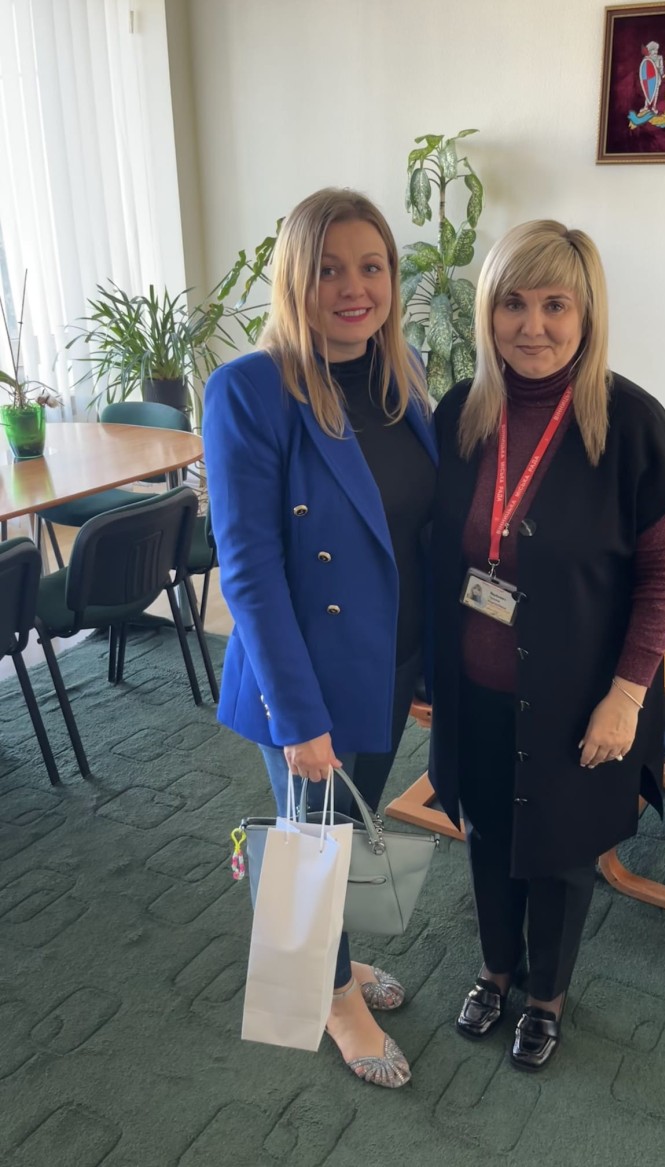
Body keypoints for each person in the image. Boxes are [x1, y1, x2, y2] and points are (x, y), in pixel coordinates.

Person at [429, 220, 665, 1072]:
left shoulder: (631, 424)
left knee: (562, 852)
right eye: (512, 302)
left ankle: (545, 996)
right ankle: (495, 970)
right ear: (487, 311)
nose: (531, 325)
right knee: (486, 832)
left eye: (555, 304)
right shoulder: (460, 414)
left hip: (581, 693)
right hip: (477, 684)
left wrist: (626, 695)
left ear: (586, 315)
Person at [203, 188, 437, 1089]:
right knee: (312, 839)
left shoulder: (399, 372)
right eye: (329, 269)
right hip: (306, 675)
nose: (353, 287)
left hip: (391, 657)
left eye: (371, 267)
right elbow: (249, 568)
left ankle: (331, 957)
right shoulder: (251, 390)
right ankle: (332, 997)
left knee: (345, 828)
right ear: (294, 279)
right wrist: (297, 717)